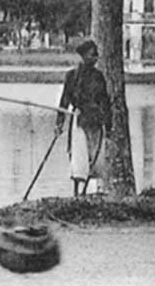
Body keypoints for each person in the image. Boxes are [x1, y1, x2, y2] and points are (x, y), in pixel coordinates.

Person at [55, 38, 110, 197]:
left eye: (96, 55)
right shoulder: (72, 76)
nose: (95, 58)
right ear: (84, 56)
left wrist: (108, 123)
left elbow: (104, 101)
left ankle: (84, 192)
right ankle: (76, 193)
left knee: (94, 156)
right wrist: (59, 123)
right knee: (79, 156)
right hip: (79, 121)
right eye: (93, 55)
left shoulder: (98, 77)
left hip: (95, 121)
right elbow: (64, 101)